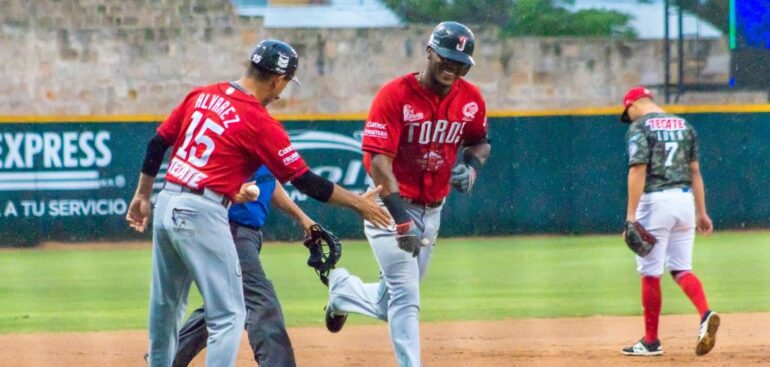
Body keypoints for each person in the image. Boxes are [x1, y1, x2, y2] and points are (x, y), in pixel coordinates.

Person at [126, 39, 390, 367]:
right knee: (229, 315)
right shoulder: (258, 120)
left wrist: (142, 195)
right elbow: (305, 180)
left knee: (166, 309)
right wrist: (357, 203)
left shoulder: (203, 95)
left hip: (167, 203)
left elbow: (157, 144)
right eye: (283, 85)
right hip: (204, 213)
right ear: (278, 80)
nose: (280, 94)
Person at [322, 22, 491, 367]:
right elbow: (378, 163)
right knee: (406, 295)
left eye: (460, 62)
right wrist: (400, 221)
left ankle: (342, 291)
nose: (452, 67)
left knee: (391, 300)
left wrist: (471, 166)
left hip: (433, 210)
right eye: (446, 58)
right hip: (387, 206)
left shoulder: (470, 98)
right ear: (429, 52)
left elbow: (479, 141)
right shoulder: (394, 94)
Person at [172, 165, 314, 367]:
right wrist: (232, 191)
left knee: (225, 302)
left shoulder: (264, 141)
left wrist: (302, 217)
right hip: (228, 230)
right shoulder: (236, 138)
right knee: (261, 300)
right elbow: (202, 178)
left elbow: (269, 181)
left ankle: (167, 357)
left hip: (247, 233)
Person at [619, 86, 720, 357]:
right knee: (681, 268)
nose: (628, 119)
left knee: (650, 272)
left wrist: (630, 215)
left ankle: (651, 341)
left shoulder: (640, 127)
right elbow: (695, 172)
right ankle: (705, 314)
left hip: (655, 203)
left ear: (634, 104)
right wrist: (702, 211)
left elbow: (638, 168)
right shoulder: (685, 126)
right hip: (685, 202)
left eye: (627, 113)